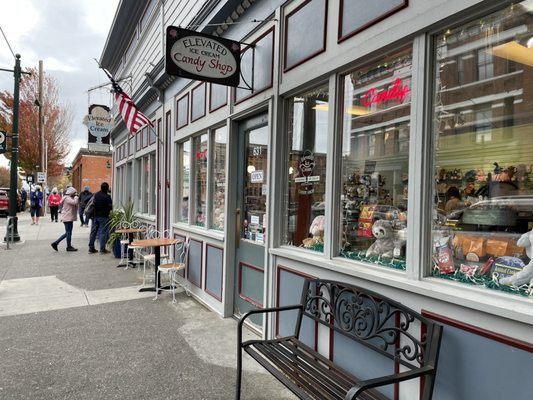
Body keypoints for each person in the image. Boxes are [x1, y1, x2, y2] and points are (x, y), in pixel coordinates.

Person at [51, 187, 79, 252]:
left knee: (68, 233)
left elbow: (76, 204)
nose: (75, 194)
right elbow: (74, 203)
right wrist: (76, 197)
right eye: (74, 193)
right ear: (71, 192)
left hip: (68, 217)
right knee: (68, 233)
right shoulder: (67, 198)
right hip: (67, 218)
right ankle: (67, 246)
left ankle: (57, 243)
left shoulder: (68, 198)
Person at [88, 182, 113, 254]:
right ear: (107, 188)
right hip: (104, 216)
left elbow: (92, 204)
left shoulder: (96, 195)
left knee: (93, 231)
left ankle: (91, 248)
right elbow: (110, 207)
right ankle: (102, 249)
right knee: (103, 232)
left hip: (95, 216)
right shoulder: (107, 197)